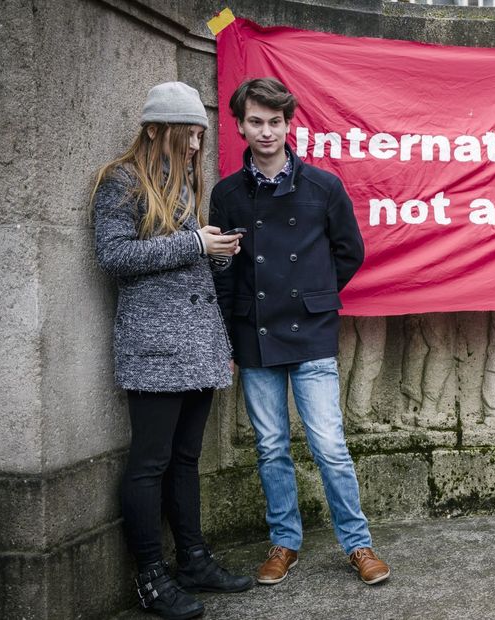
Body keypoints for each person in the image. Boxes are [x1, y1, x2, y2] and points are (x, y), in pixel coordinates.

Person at [210, 78, 390, 586]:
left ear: (289, 125)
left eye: (274, 122)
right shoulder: (226, 194)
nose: (265, 131)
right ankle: (284, 543)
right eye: (255, 122)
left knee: (330, 444)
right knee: (271, 446)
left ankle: (358, 545)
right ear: (240, 126)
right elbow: (222, 272)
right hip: (255, 333)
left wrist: (313, 294)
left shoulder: (323, 187)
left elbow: (349, 252)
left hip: (310, 332)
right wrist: (225, 340)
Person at [92, 81, 253, 619]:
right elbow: (113, 256)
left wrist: (217, 252)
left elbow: (184, 263)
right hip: (156, 349)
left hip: (198, 345)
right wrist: (194, 243)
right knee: (150, 463)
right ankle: (150, 576)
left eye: (200, 137)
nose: (194, 147)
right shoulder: (120, 181)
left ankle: (193, 559)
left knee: (185, 460)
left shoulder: (184, 184)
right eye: (187, 135)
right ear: (156, 129)